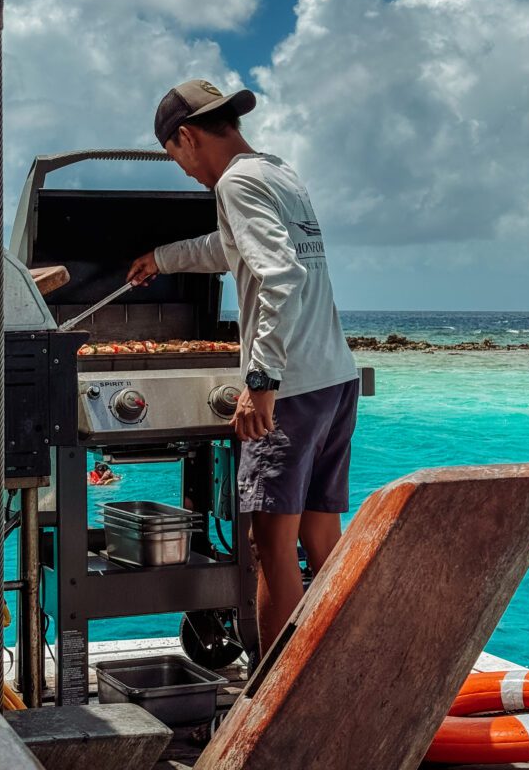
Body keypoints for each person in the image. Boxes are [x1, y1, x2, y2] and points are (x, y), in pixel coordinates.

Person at [127, 79, 359, 661]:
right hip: (335, 377)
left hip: (293, 387)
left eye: (175, 158)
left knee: (267, 544)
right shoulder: (277, 172)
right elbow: (233, 248)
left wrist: (260, 384)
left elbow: (278, 276)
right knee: (320, 535)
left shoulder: (234, 183)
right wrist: (163, 258)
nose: (182, 172)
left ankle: (275, 692)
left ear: (185, 137)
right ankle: (338, 667)